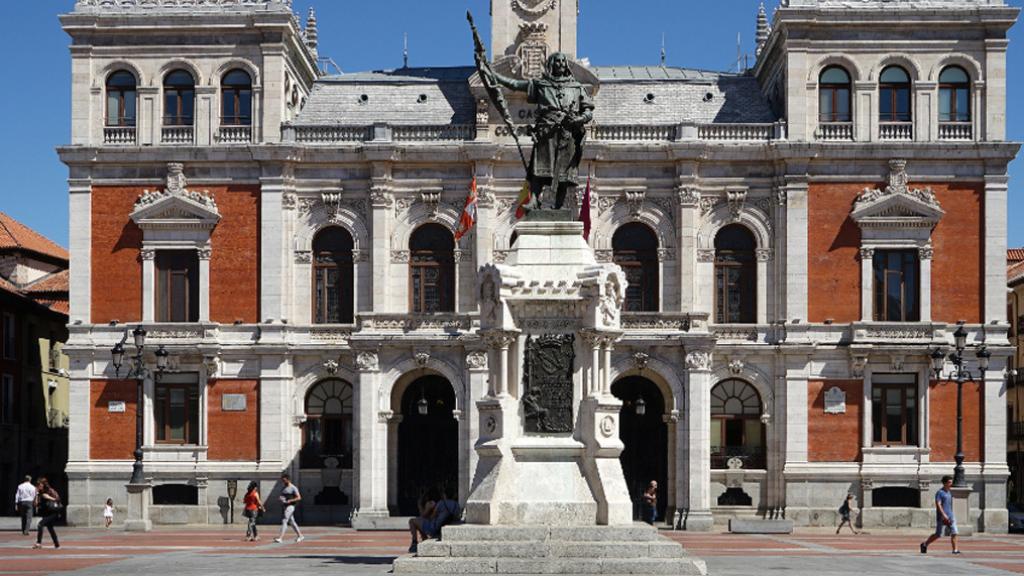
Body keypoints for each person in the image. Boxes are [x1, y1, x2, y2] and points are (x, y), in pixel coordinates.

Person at [486, 52, 595, 212]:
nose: (560, 64)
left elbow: (588, 110)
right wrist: (494, 76)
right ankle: (534, 200)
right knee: (539, 167)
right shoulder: (542, 85)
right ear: (551, 64)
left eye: (562, 62)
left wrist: (580, 119)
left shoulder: (576, 87)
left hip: (567, 132)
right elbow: (515, 84)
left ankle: (559, 205)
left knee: (564, 172)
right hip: (546, 132)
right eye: (557, 61)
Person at [408, 486, 460, 553]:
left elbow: (429, 517)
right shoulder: (456, 505)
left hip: (435, 528)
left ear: (444, 495)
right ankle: (424, 540)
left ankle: (414, 542)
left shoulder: (441, 503)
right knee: (422, 523)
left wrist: (420, 505)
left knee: (412, 521)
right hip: (448, 527)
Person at [920, 475, 960, 555]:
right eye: (949, 482)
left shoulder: (949, 492)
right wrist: (943, 515)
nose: (951, 484)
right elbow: (938, 504)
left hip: (950, 516)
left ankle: (955, 550)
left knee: (954, 532)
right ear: (945, 483)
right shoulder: (940, 493)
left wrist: (950, 514)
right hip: (942, 517)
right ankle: (925, 544)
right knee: (938, 534)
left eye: (951, 482)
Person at [32, 477, 60, 549]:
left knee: (40, 524)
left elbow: (57, 499)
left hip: (53, 512)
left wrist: (49, 497)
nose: (38, 486)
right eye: (37, 485)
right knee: (50, 528)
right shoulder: (39, 493)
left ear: (44, 485)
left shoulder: (50, 490)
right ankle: (56, 544)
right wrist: (37, 494)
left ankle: (38, 543)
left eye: (40, 485)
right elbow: (35, 504)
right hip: (46, 513)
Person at [274, 474, 303, 544]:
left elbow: (299, 497)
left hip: (290, 506)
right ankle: (300, 535)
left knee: (284, 520)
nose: (283, 482)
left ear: (288, 480)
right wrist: (281, 498)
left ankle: (280, 538)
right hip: (285, 506)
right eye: (282, 480)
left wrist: (290, 500)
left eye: (284, 480)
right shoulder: (284, 488)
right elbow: (282, 496)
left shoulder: (293, 488)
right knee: (292, 522)